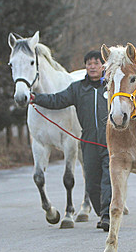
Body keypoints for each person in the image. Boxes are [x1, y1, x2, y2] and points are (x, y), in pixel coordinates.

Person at [30, 50, 111, 232]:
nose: (92, 66)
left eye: (96, 63)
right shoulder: (77, 88)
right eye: (89, 64)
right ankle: (101, 211)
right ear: (85, 67)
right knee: (91, 182)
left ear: (103, 66)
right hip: (88, 141)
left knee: (108, 179)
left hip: (110, 141)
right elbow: (57, 100)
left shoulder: (111, 86)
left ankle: (107, 216)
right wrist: (36, 98)